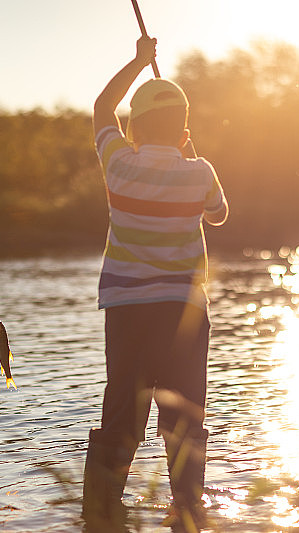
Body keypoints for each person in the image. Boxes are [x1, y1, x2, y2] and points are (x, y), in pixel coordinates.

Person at [82, 35, 228, 531]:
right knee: (184, 415)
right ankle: (187, 510)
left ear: (134, 129)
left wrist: (138, 61)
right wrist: (194, 161)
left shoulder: (119, 164)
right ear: (184, 132)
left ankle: (100, 513)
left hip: (126, 313)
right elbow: (220, 214)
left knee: (123, 409)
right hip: (183, 312)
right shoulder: (201, 171)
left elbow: (102, 104)